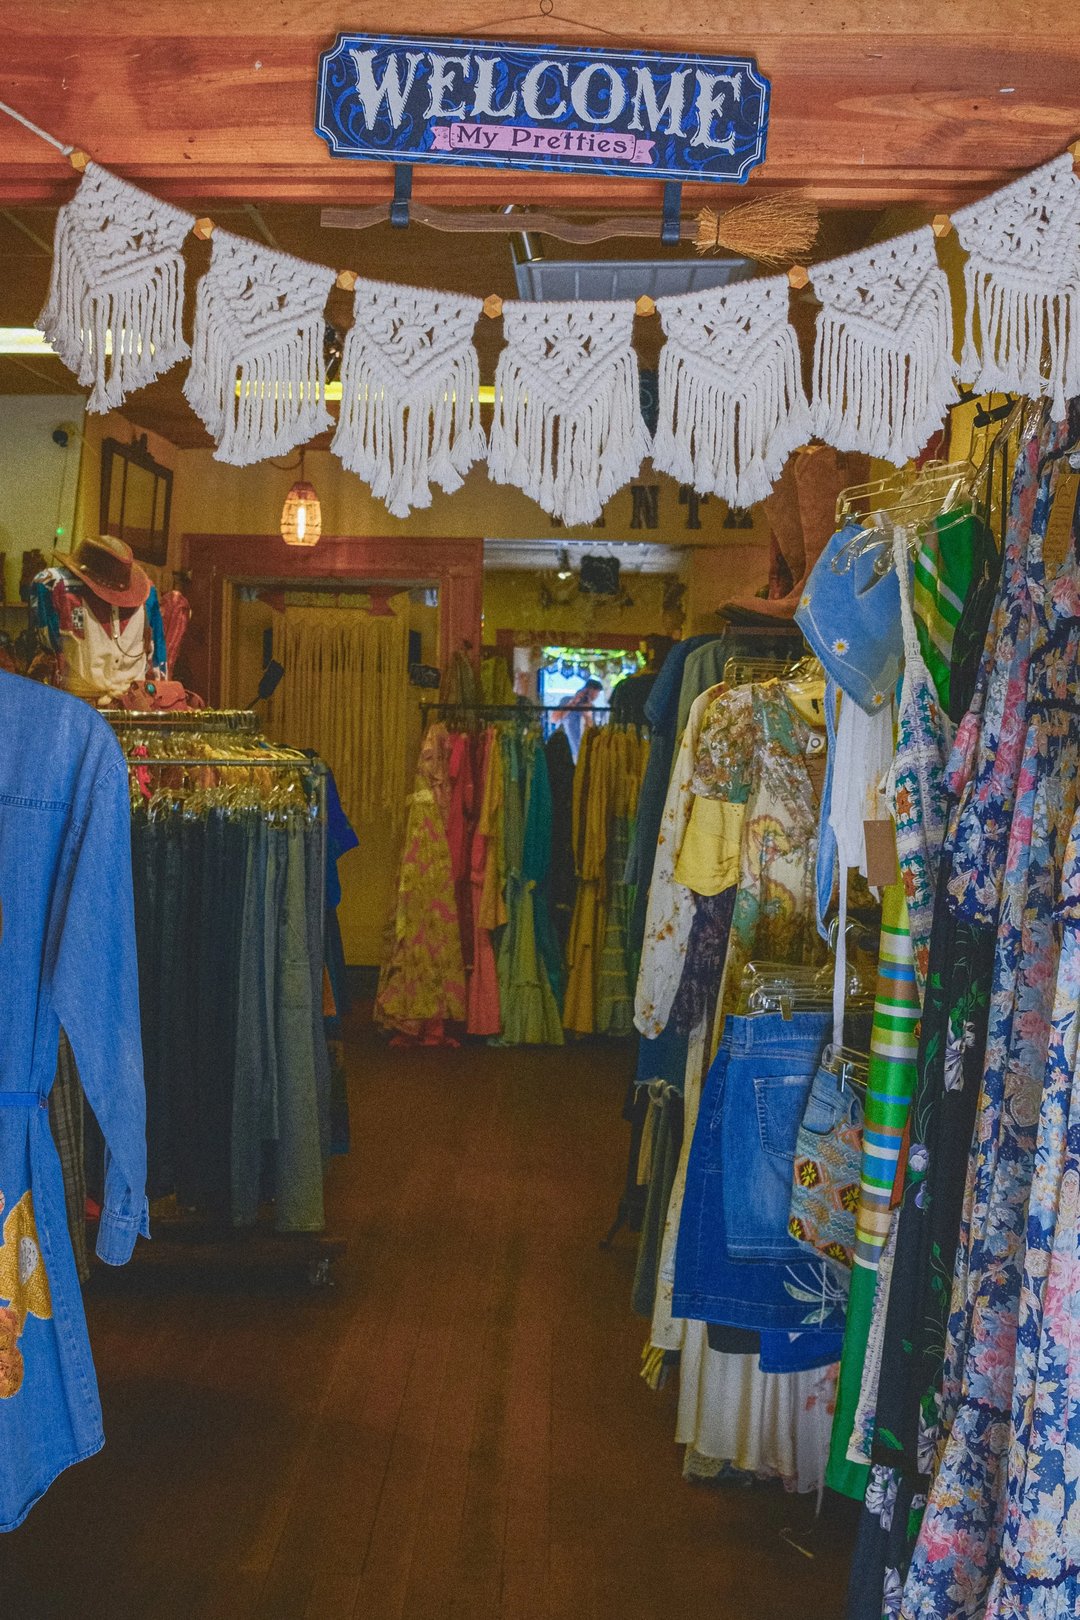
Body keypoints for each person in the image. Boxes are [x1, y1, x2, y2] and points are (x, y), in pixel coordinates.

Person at [553, 676, 603, 760]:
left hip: (584, 752)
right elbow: (554, 719)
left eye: (596, 695)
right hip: (566, 751)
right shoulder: (566, 701)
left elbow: (592, 731)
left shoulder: (592, 708)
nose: (594, 697)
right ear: (585, 690)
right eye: (593, 694)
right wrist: (573, 702)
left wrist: (588, 715)